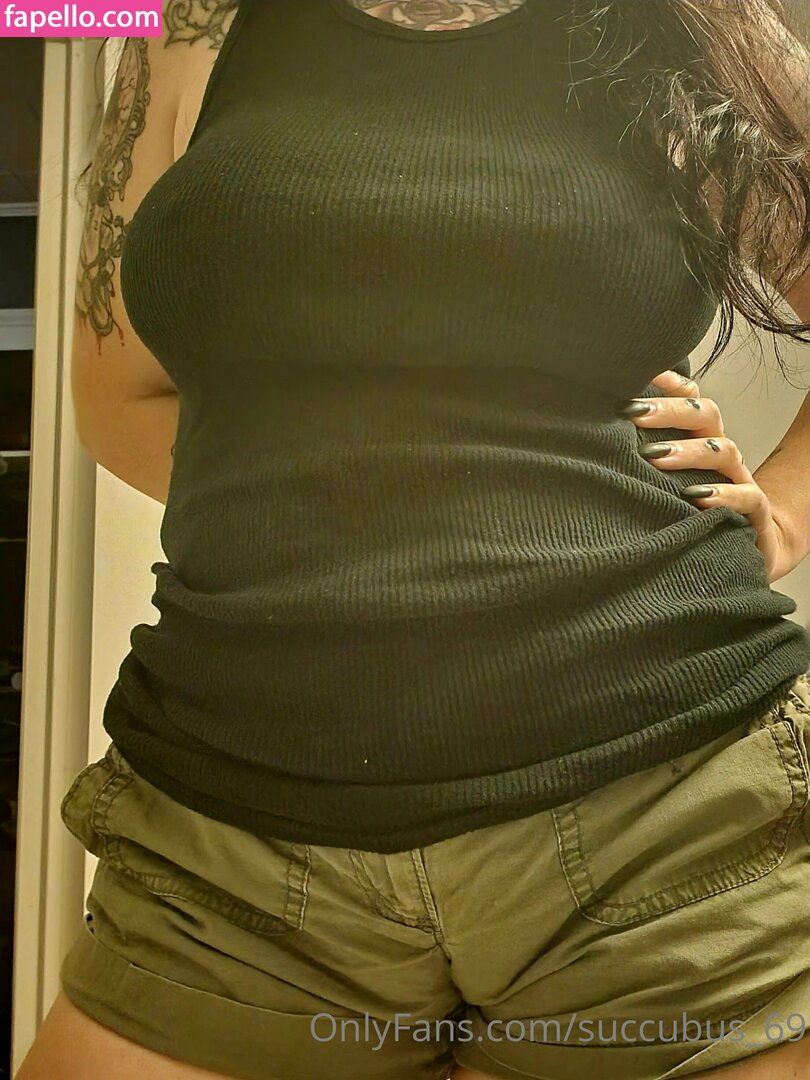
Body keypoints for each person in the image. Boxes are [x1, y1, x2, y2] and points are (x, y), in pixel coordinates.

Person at [15, 0, 810, 1078]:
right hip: (232, 826)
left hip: (670, 819)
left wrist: (784, 511)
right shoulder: (191, 26)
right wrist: (355, 498)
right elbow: (117, 397)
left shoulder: (686, 17)